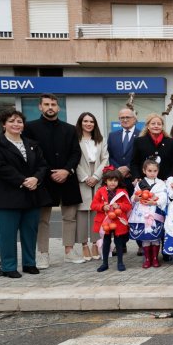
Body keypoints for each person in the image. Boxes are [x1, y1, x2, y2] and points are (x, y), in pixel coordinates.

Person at [0, 109, 51, 278]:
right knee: (7, 233)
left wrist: (36, 179)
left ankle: (29, 263)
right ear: (4, 124)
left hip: (32, 194)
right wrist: (23, 180)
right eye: (12, 121)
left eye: (19, 121)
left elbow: (43, 165)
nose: (16, 124)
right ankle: (8, 266)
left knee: (30, 231)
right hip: (6, 196)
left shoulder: (32, 144)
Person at [23, 93, 82, 269]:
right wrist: (46, 172)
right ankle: (43, 254)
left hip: (68, 178)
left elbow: (75, 153)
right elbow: (30, 154)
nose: (50, 107)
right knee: (42, 219)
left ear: (58, 107)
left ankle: (69, 251)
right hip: (43, 179)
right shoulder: (30, 128)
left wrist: (66, 170)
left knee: (70, 217)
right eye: (47, 104)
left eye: (54, 104)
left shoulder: (70, 129)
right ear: (40, 107)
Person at [75, 112, 109, 263]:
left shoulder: (101, 140)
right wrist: (84, 177)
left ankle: (96, 243)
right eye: (85, 121)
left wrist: (96, 176)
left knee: (97, 212)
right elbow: (73, 159)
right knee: (82, 214)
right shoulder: (75, 139)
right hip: (81, 176)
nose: (88, 124)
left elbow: (105, 159)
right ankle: (84, 245)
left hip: (97, 175)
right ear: (80, 123)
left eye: (91, 122)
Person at [91, 167, 132, 272]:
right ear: (105, 180)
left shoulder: (123, 192)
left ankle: (120, 262)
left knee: (119, 243)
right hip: (105, 222)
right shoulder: (100, 191)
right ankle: (105, 263)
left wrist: (119, 205)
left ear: (118, 181)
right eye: (110, 180)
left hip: (118, 221)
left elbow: (128, 206)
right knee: (106, 242)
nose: (113, 183)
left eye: (115, 180)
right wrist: (102, 207)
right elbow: (93, 205)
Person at [129, 159, 167, 268]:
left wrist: (155, 200)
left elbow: (164, 197)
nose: (152, 173)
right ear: (144, 170)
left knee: (155, 237)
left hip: (155, 212)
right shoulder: (140, 183)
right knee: (146, 237)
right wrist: (136, 198)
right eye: (149, 170)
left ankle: (155, 258)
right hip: (142, 213)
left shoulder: (160, 183)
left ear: (158, 171)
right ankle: (147, 259)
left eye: (155, 171)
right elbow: (133, 197)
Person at [130, 113, 173, 182]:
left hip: (165, 182)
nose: (156, 126)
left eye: (159, 124)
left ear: (162, 126)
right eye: (153, 124)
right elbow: (134, 163)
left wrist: (169, 178)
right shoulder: (139, 141)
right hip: (144, 182)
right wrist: (137, 177)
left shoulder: (170, 142)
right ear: (148, 126)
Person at [107, 107, 139, 191]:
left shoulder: (142, 135)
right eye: (122, 117)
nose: (125, 120)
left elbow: (142, 156)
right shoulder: (112, 136)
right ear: (119, 120)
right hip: (116, 180)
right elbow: (109, 155)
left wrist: (128, 168)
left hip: (134, 179)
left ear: (134, 119)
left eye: (128, 117)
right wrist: (118, 170)